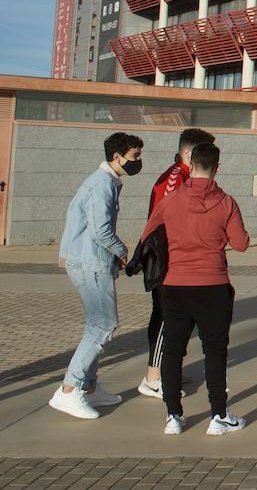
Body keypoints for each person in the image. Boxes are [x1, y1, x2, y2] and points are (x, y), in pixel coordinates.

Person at [141, 142, 250, 435]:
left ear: (190, 164)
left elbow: (148, 235)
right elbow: (241, 243)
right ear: (218, 167)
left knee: (174, 350)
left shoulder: (171, 200)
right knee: (215, 351)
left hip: (174, 285)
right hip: (213, 284)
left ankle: (173, 416)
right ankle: (219, 415)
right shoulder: (226, 202)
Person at [50, 132, 144, 420]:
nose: (138, 162)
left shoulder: (105, 182)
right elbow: (101, 231)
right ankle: (68, 390)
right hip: (90, 262)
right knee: (103, 325)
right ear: (117, 157)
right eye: (134, 156)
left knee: (97, 324)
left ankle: (89, 387)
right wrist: (123, 250)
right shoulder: (102, 184)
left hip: (89, 260)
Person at [139, 127, 216, 401]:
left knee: (174, 318)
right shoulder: (175, 179)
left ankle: (165, 369)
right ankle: (153, 376)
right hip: (166, 258)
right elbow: (166, 223)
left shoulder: (185, 176)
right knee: (165, 318)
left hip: (177, 258)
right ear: (187, 153)